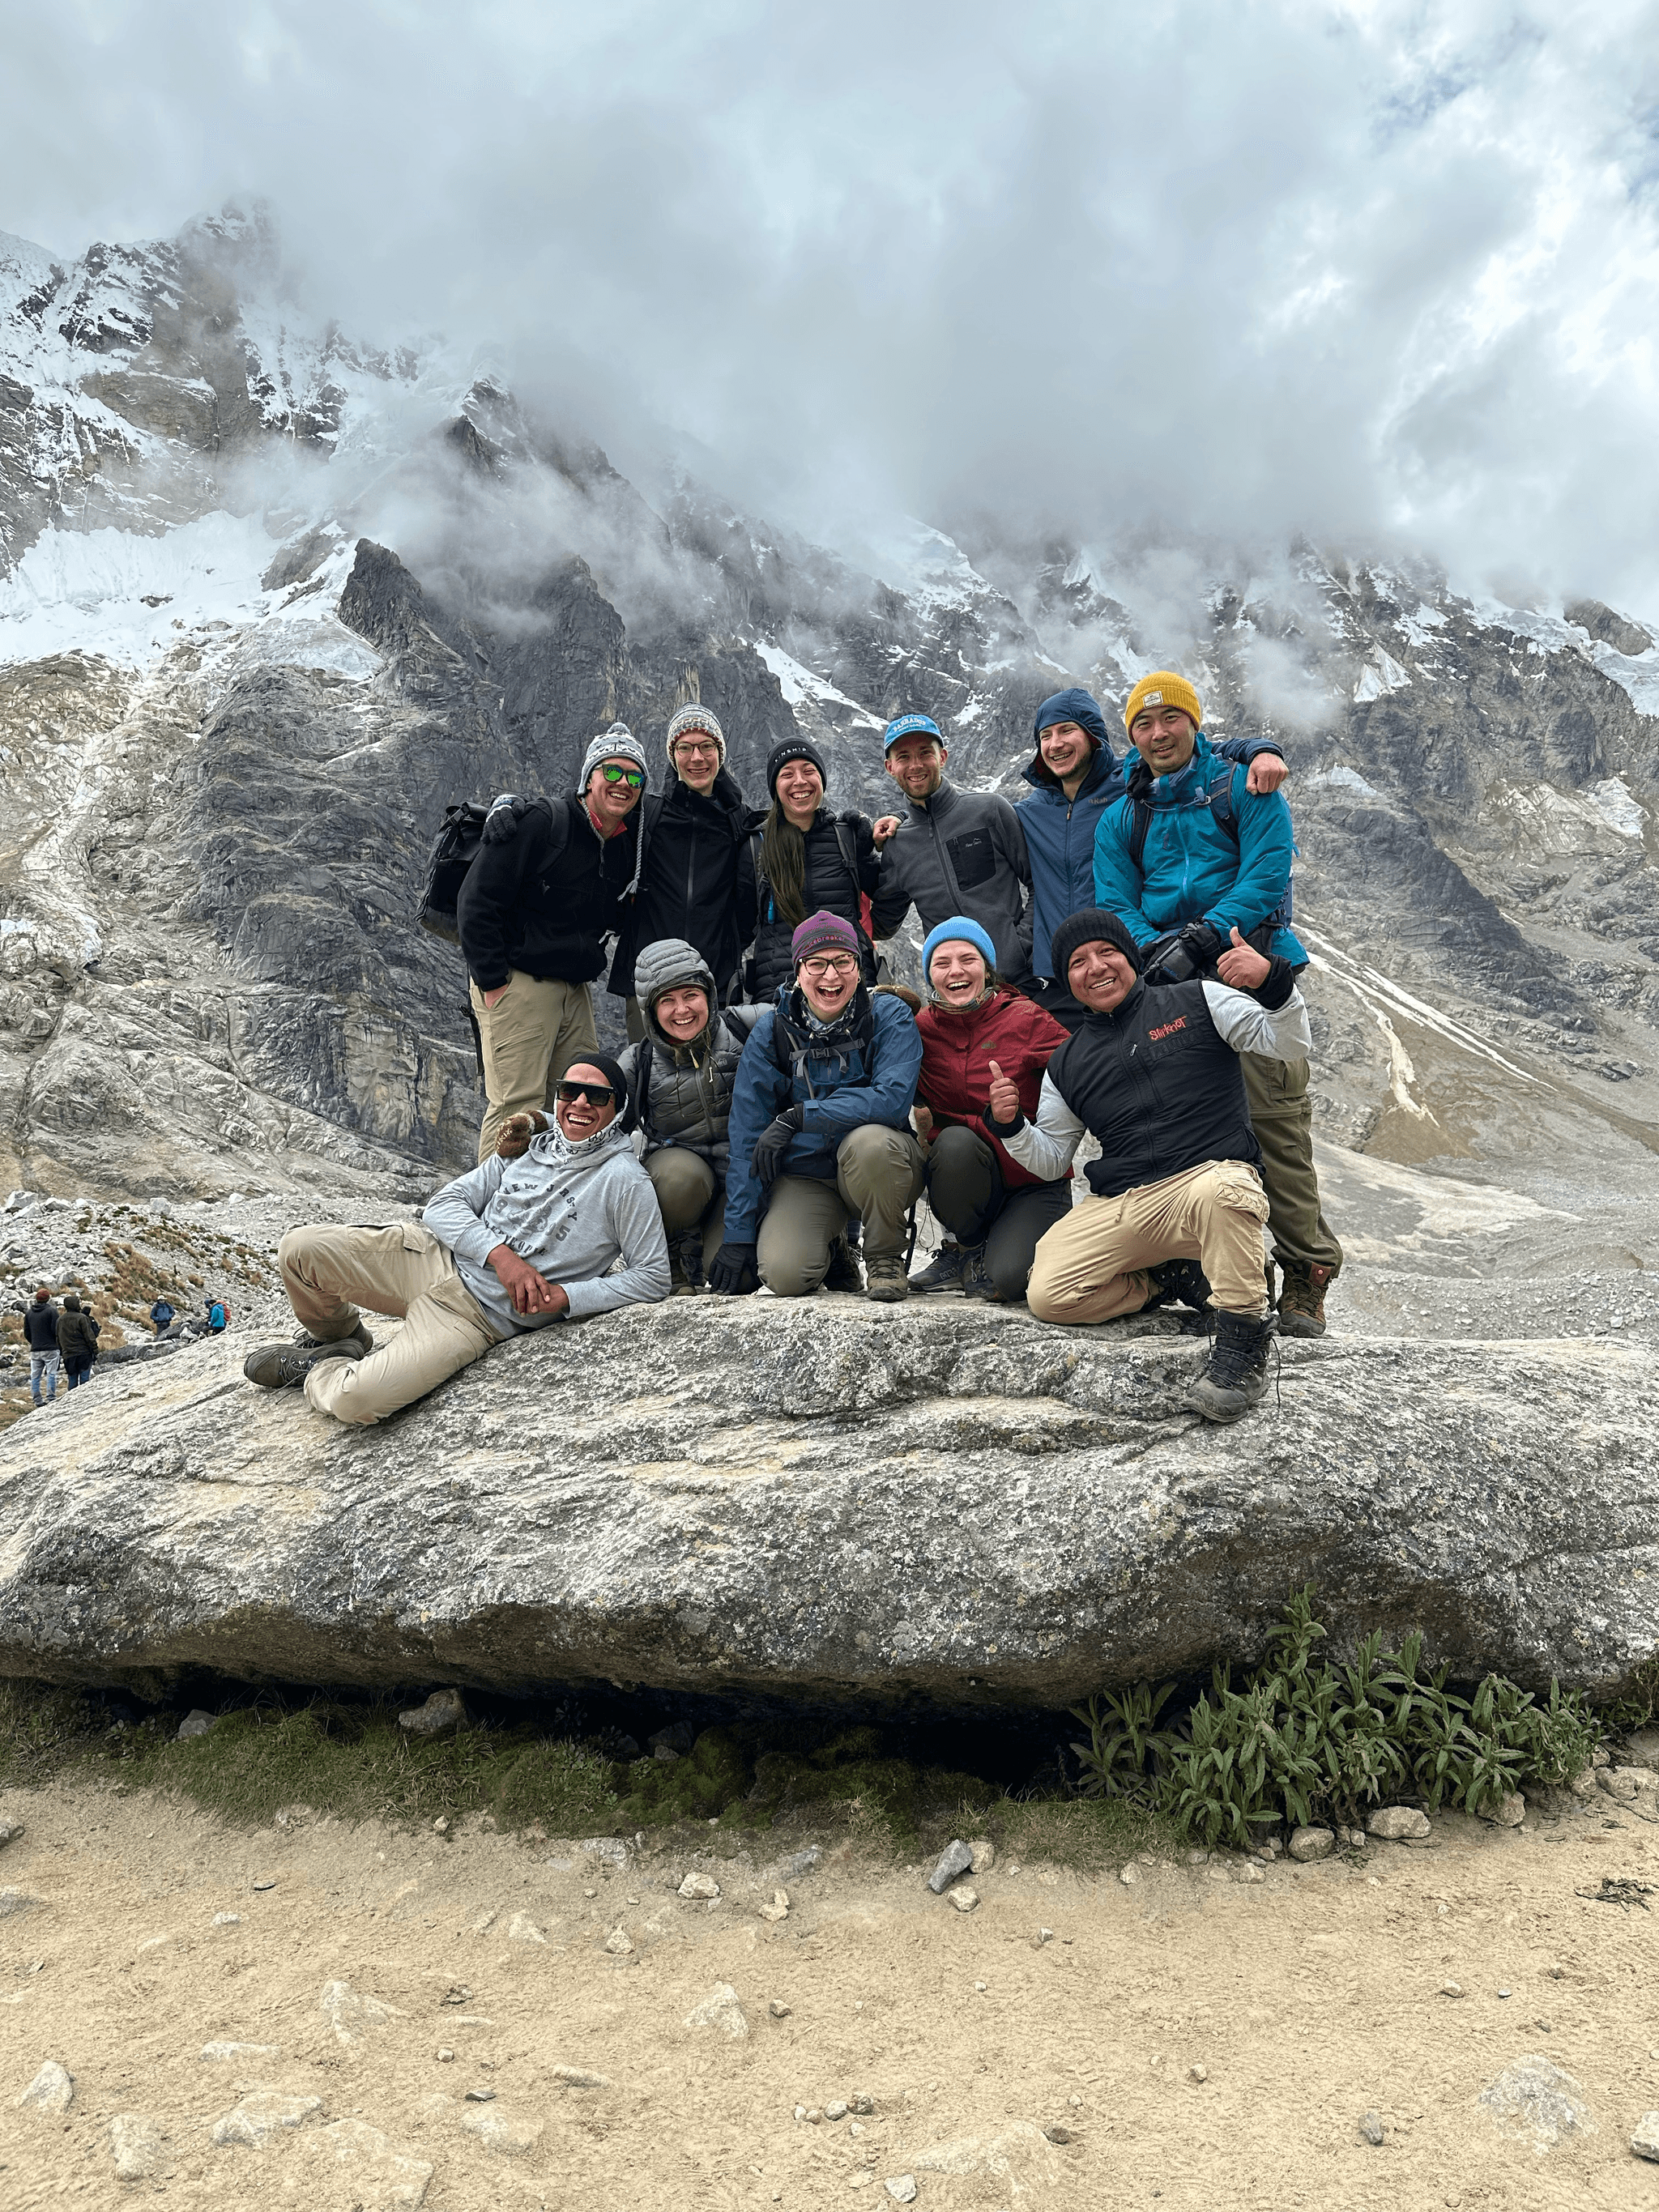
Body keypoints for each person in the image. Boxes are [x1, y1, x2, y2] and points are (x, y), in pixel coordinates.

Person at [1092, 670, 1341, 1336]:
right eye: (1143, 724)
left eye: (1170, 718)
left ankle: (1306, 1273)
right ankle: (1230, 1275)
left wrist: (1203, 935)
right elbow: (1114, 901)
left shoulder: (1246, 787)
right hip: (1169, 984)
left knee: (1275, 1126)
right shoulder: (1123, 814)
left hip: (1252, 969)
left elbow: (1268, 872)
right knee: (1192, 1136)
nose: (1157, 732)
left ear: (1194, 723)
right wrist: (1157, 947)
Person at [994, 910, 1312, 1422]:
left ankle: (1243, 1342)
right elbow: (1054, 1157)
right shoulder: (1067, 1062)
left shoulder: (1199, 999)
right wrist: (1011, 1127)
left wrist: (1273, 981)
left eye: (1108, 953)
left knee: (1225, 1190)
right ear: (1068, 979)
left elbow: (1290, 1044)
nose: (1096, 968)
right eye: (1078, 962)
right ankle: (1166, 1280)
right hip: (1124, 1203)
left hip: (1206, 1183)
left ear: (1131, 958)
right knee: (1049, 1294)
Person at [247, 1054, 669, 1425]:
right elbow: (442, 1206)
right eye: (569, 1091)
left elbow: (652, 1276)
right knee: (299, 1250)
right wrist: (502, 1257)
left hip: (476, 1317)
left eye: (596, 1097)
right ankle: (342, 1337)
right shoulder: (530, 1147)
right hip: (433, 1259)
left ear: (618, 1110)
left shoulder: (625, 1181)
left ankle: (322, 1368)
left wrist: (568, 1298)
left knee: (355, 1401)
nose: (579, 1104)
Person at [497, 937, 764, 1294]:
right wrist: (542, 1123)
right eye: (666, 1000)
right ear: (649, 1011)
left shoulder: (749, 1027)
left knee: (740, 1281)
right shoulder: (638, 1062)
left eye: (690, 995)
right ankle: (673, 1255)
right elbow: (594, 1110)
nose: (681, 1010)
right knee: (674, 1178)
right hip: (684, 1181)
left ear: (709, 995)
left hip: (744, 1178)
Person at [1020, 687, 1287, 1029]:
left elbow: (1191, 754)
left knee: (1256, 1075)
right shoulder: (1028, 813)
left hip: (1158, 968)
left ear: (1095, 737)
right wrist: (1162, 952)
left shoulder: (1128, 787)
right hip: (1081, 975)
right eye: (1046, 735)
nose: (1056, 743)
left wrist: (1260, 750)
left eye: (1067, 730)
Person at [458, 723, 652, 1161]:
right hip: (519, 983)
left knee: (576, 1099)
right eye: (613, 772)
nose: (624, 784)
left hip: (574, 990)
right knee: (515, 1103)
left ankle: (542, 1206)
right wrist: (493, 982)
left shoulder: (622, 843)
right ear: (589, 778)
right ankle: (488, 1214)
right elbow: (476, 901)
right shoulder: (542, 822)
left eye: (635, 777)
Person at [715, 912, 925, 1303]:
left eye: (843, 961)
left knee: (870, 1143)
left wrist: (800, 1116)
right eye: (817, 963)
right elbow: (747, 1137)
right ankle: (833, 1248)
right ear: (798, 971)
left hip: (880, 1168)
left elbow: (893, 1100)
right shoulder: (772, 1031)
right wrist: (740, 1235)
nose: (831, 976)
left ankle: (883, 1258)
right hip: (809, 1177)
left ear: (859, 968)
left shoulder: (887, 1016)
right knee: (784, 1275)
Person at [907, 918, 1073, 1301]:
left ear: (987, 968)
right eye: (942, 962)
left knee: (1008, 1282)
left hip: (1033, 1182)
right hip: (965, 1179)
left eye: (968, 959)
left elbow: (1081, 1068)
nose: (956, 971)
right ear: (930, 975)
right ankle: (964, 1250)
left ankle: (993, 1255)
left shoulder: (1025, 1017)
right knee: (954, 1143)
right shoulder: (920, 1028)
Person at [608, 705, 757, 1037]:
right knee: (649, 1079)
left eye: (707, 747)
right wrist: (511, 807)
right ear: (673, 756)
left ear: (720, 753)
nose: (697, 758)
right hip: (649, 984)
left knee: (718, 1083)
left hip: (715, 982)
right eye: (685, 748)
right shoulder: (646, 814)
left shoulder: (739, 822)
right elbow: (591, 815)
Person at [870, 714, 1033, 981]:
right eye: (903, 757)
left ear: (942, 757)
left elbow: (1038, 881)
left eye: (925, 753)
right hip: (954, 993)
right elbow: (883, 924)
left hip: (1019, 982)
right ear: (890, 767)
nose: (916, 765)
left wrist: (1021, 947)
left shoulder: (990, 810)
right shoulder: (898, 845)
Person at [746, 739, 881, 999]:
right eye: (787, 774)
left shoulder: (848, 839)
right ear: (775, 787)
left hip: (849, 984)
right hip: (780, 991)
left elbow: (892, 893)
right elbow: (740, 926)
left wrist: (894, 822)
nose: (799, 781)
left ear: (821, 779)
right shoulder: (755, 847)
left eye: (809, 771)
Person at [23, 1285, 59, 1406]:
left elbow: (27, 1333)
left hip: (35, 1349)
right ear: (48, 1299)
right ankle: (51, 1398)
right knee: (51, 1374)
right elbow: (56, 1330)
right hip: (50, 1348)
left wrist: (34, 1342)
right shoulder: (52, 1311)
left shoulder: (29, 1313)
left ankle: (37, 1400)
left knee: (35, 1376)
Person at [56, 1293, 100, 1389]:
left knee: (72, 1379)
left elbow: (58, 1338)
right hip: (83, 1353)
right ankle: (83, 1401)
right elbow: (89, 1336)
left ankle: (71, 1401)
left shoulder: (60, 1320)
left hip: (68, 1354)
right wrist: (95, 1350)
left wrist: (62, 1352)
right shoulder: (82, 1318)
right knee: (84, 1380)